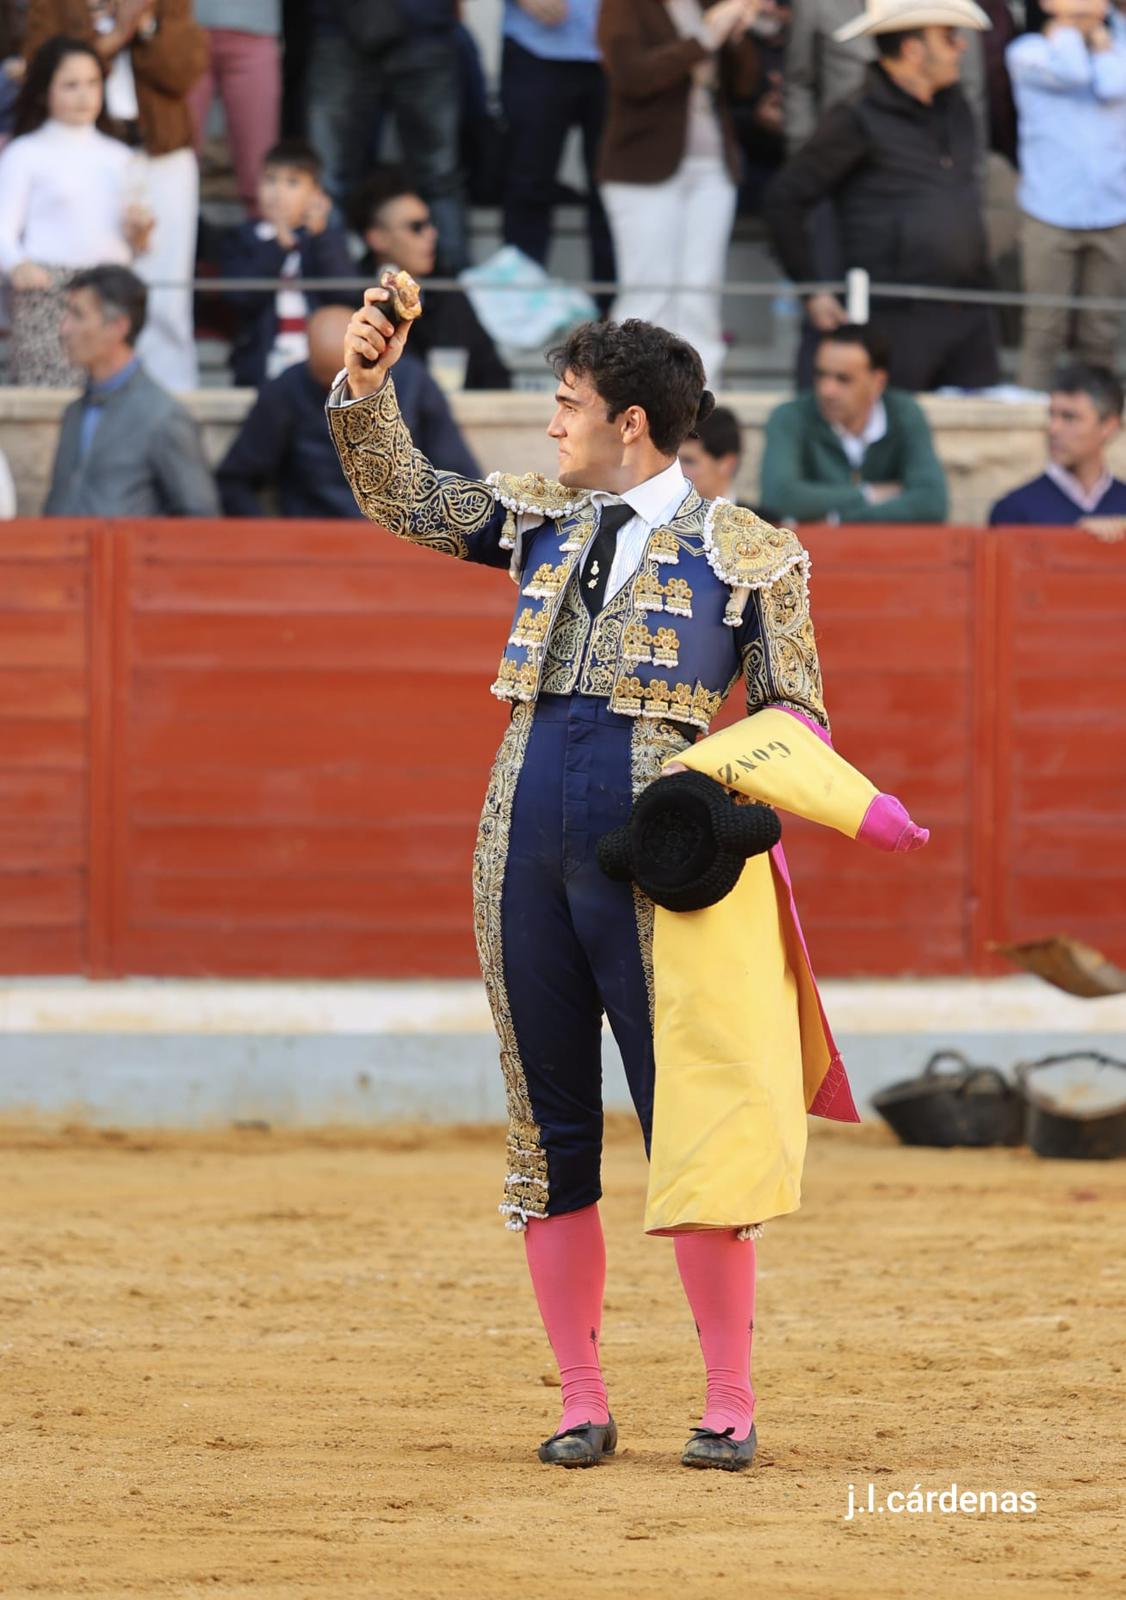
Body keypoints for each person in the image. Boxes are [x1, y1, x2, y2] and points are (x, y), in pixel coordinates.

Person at [326, 272, 930, 1472]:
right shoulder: (542, 516)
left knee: (691, 1129)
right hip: (522, 851)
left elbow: (794, 716)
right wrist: (365, 386)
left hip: (662, 873)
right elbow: (405, 494)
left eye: (566, 403)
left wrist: (718, 815)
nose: (551, 423)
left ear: (631, 424)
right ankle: (583, 1397)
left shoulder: (754, 554)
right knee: (549, 1133)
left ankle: (728, 1399)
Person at [763, 0, 1001, 393]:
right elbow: (785, 198)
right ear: (912, 49)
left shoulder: (956, 106)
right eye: (948, 38)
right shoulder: (856, 117)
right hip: (895, 316)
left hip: (967, 311)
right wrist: (810, 286)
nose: (961, 47)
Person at [22, 0, 208, 393]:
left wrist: (145, 25)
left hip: (160, 152)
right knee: (99, 285)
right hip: (88, 150)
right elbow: (42, 65)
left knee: (166, 291)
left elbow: (184, 72)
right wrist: (112, 36)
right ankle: (104, 386)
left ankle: (168, 394)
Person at [597, 0, 762, 387]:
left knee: (702, 291)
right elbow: (630, 77)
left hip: (712, 169)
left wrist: (736, 38)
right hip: (641, 166)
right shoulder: (624, 6)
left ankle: (700, 397)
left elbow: (744, 85)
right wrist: (704, 38)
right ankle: (632, 395)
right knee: (647, 290)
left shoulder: (709, 4)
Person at [217, 303, 479, 516]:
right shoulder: (285, 390)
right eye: (331, 388)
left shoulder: (413, 381)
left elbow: (460, 478)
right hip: (314, 541)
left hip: (402, 535)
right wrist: (272, 542)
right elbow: (236, 479)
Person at [0, 34, 151, 385]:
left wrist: (139, 233)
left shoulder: (121, 157)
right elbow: (2, 227)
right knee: (47, 411)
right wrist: (17, 264)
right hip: (48, 297)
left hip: (112, 297)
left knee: (112, 401)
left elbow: (139, 244)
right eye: (70, 85)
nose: (84, 95)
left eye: (92, 83)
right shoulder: (25, 153)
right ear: (43, 90)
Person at [1007, 0, 1126, 392]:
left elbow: (1113, 84)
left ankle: (1096, 429)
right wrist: (1074, 30)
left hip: (1113, 211)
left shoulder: (1117, 47)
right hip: (1049, 212)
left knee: (1101, 333)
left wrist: (1098, 38)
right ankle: (1028, 427)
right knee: (1043, 330)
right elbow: (1073, 73)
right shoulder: (1026, 52)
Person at [304, 0, 467, 273]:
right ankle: (333, 290)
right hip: (341, 29)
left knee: (440, 178)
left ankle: (453, 300)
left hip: (424, 28)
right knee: (329, 180)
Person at [43, 264, 219, 516]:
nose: (64, 329)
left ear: (118, 327)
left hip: (128, 555)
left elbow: (200, 520)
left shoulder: (163, 416)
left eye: (78, 315)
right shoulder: (74, 412)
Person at [760, 323, 949, 522]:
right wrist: (868, 494)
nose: (827, 390)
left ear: (877, 382)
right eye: (821, 374)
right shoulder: (790, 416)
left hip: (887, 551)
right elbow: (778, 498)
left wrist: (837, 520)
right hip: (812, 552)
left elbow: (932, 503)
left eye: (843, 379)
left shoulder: (905, 414)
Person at [348, 165, 510, 391]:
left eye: (429, 223)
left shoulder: (446, 289)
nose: (431, 234)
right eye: (416, 227)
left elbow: (493, 372)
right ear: (377, 238)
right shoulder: (353, 296)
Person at [219, 139, 353, 388]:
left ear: (316, 194)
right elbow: (239, 296)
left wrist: (321, 237)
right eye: (270, 180)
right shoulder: (243, 239)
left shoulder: (326, 240)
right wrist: (278, 247)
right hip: (261, 364)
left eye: (292, 182)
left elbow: (344, 293)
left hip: (319, 364)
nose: (278, 192)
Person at [500, 0, 614, 289]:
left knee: (612, 190)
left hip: (615, 49)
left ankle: (616, 316)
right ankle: (522, 309)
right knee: (529, 184)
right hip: (535, 47)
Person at [989, 363, 1126, 527]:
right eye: (1051, 415)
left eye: (1069, 417)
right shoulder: (1014, 509)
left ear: (1108, 426)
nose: (1053, 429)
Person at [187, 0, 282, 218]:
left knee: (258, 161)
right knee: (178, 155)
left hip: (255, 28)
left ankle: (264, 242)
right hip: (185, 27)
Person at [678, 403, 744, 501]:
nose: (677, 470)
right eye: (673, 461)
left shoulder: (760, 516)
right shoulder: (660, 515)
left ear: (727, 464)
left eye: (688, 461)